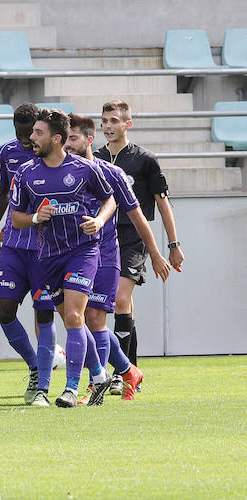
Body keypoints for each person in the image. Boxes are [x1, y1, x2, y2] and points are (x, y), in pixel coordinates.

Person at [10, 109, 117, 408]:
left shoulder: (84, 169)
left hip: (83, 250)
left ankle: (71, 388)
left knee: (73, 316)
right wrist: (34, 217)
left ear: (56, 139)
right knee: (73, 319)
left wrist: (99, 220)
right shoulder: (27, 174)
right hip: (48, 257)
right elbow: (16, 218)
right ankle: (98, 374)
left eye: (38, 133)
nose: (31, 138)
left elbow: (110, 198)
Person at [65, 114, 171, 402]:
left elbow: (137, 216)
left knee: (94, 317)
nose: (67, 144)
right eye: (65, 138)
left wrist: (157, 252)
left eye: (72, 138)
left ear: (88, 139)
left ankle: (94, 382)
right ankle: (127, 370)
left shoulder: (110, 173)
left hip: (106, 254)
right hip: (69, 256)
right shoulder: (61, 172)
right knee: (78, 320)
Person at [94, 100, 184, 393]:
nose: (108, 126)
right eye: (105, 121)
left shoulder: (145, 159)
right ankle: (130, 371)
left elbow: (162, 202)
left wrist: (172, 245)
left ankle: (120, 375)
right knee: (121, 306)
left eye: (114, 121)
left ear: (127, 124)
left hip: (134, 238)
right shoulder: (94, 159)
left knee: (120, 300)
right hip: (103, 239)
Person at [0, 103, 56, 404]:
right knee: (5, 310)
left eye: (30, 135)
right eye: (21, 136)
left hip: (45, 247)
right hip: (14, 243)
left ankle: (42, 385)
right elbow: (3, 191)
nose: (27, 141)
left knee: (44, 315)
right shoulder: (8, 153)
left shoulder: (53, 154)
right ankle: (33, 366)